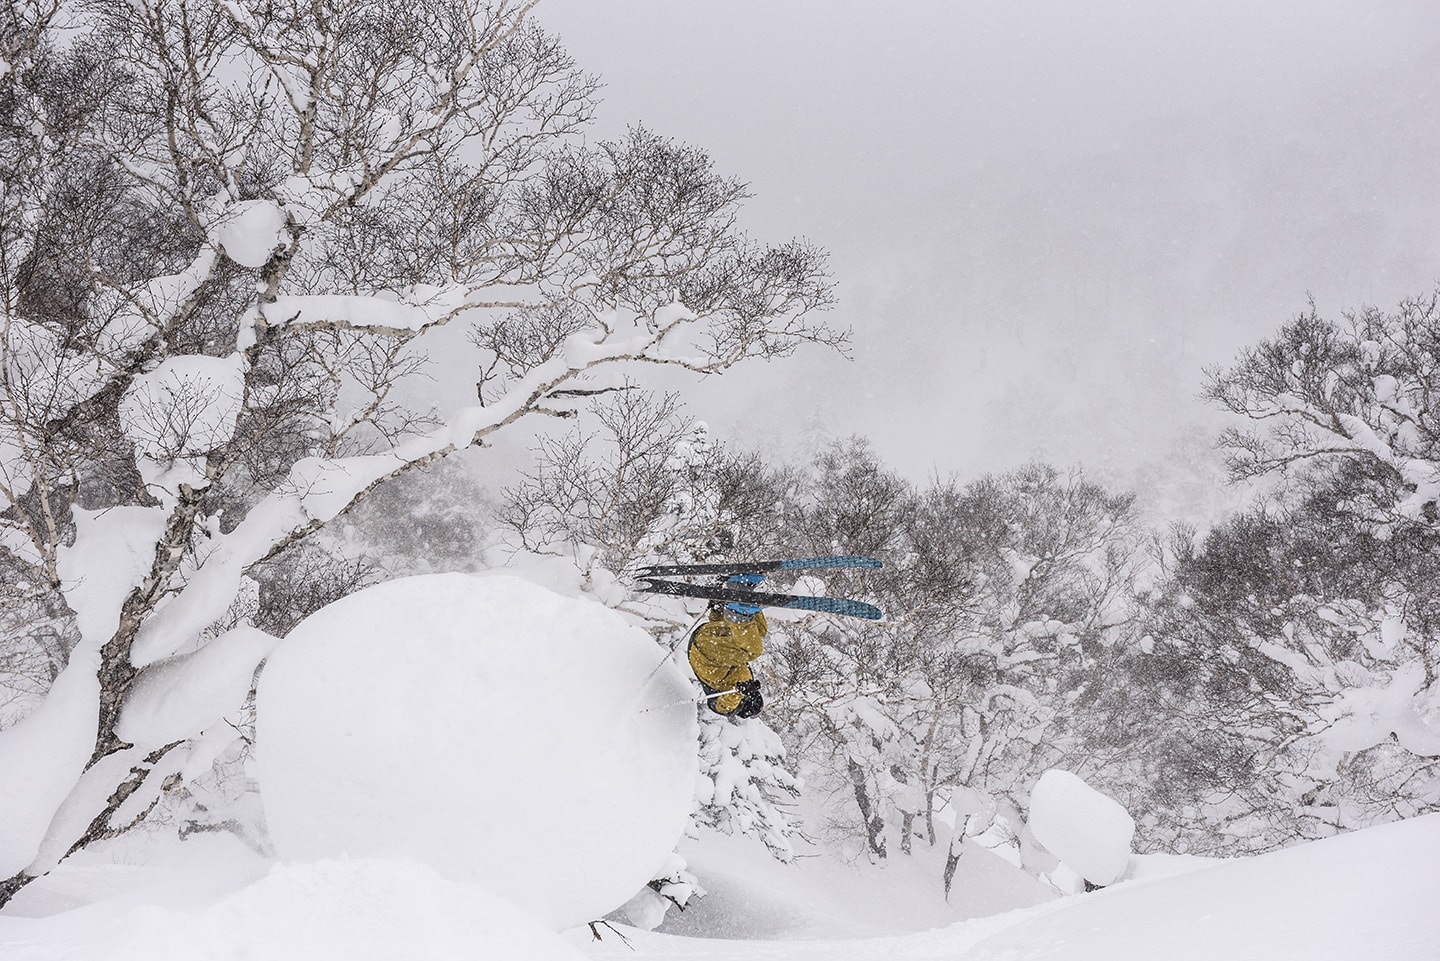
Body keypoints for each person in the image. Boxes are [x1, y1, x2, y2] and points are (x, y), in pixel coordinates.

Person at [687, 602, 766, 718]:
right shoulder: (746, 679)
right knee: (758, 632)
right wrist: (718, 613)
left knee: (752, 650)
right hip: (709, 640)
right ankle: (739, 600)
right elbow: (732, 651)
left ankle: (741, 609)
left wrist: (739, 693)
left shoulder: (728, 708)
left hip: (705, 655)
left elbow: (724, 705)